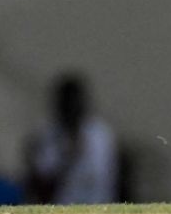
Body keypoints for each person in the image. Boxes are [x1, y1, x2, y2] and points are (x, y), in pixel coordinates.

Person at [25, 74, 119, 204]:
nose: (73, 109)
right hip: (61, 206)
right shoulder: (47, 135)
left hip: (97, 204)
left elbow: (106, 176)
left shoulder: (100, 135)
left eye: (76, 103)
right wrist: (67, 157)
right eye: (68, 104)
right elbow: (42, 179)